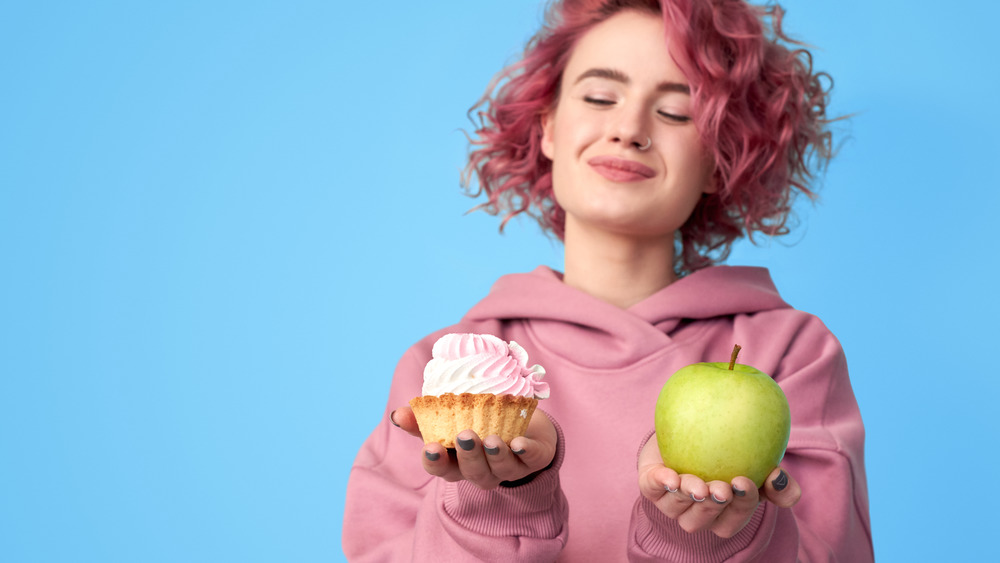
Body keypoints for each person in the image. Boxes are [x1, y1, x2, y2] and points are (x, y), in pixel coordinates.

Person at [343, 0, 872, 560]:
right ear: (547, 125)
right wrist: (501, 503)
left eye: (675, 112)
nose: (628, 129)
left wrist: (702, 536)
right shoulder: (448, 371)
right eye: (599, 97)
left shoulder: (793, 353)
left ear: (720, 158)